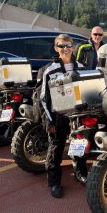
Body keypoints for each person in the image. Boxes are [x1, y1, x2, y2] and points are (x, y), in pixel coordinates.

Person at [40, 34, 88, 198]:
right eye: (61, 46)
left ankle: (81, 173)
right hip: (58, 115)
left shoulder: (81, 67)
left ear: (73, 47)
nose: (65, 49)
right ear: (56, 48)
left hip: (78, 115)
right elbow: (43, 98)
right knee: (56, 149)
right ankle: (54, 183)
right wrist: (50, 121)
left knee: (80, 145)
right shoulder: (50, 70)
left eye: (68, 45)